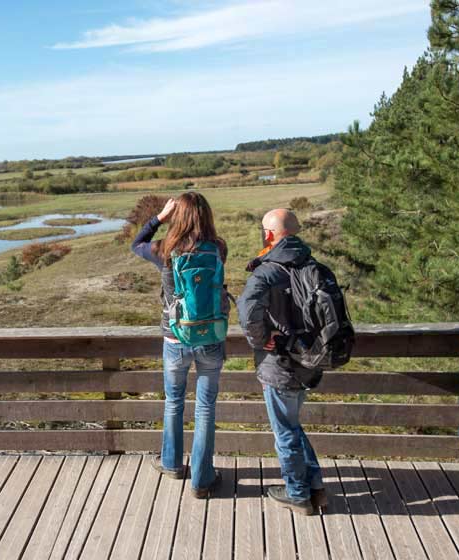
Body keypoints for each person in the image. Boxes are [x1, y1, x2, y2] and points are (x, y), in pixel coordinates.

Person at [131, 192, 227, 498]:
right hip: (211, 337)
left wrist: (159, 217)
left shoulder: (165, 250)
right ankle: (202, 479)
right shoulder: (219, 248)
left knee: (174, 402)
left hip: (175, 338)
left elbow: (136, 243)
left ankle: (171, 464)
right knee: (206, 408)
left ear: (177, 216)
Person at [236, 208, 326, 514]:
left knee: (285, 431)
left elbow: (248, 312)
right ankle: (315, 484)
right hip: (309, 359)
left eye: (265, 230)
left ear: (270, 234)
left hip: (280, 364)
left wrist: (260, 339)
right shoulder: (312, 264)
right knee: (292, 425)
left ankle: (298, 493)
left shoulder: (268, 270)